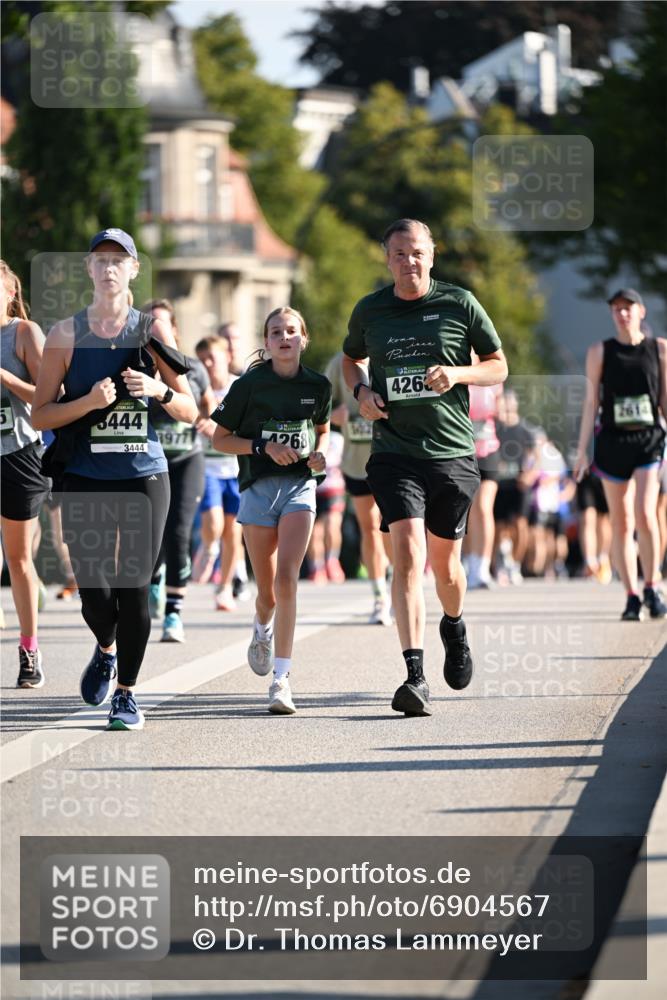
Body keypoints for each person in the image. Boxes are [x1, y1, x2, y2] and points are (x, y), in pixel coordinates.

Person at [32, 228, 197, 729]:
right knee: (95, 594)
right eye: (100, 260)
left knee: (133, 586)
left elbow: (192, 409)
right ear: (89, 269)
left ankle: (126, 693)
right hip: (84, 475)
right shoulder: (64, 334)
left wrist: (157, 390)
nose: (108, 268)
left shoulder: (152, 332)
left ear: (133, 270)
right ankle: (105, 648)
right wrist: (87, 403)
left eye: (118, 260)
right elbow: (40, 415)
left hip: (145, 475)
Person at [343, 218, 507, 716]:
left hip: (452, 454)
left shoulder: (459, 303)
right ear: (386, 258)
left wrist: (458, 372)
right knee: (408, 555)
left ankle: (453, 628)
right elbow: (351, 360)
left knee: (446, 569)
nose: (408, 262)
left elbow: (498, 364)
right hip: (394, 454)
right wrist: (362, 392)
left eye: (416, 253)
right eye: (398, 254)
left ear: (431, 255)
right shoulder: (371, 310)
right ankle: (414, 676)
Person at [211, 306, 331, 715]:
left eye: (292, 331)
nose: (284, 337)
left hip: (300, 487)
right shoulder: (249, 386)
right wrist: (263, 447)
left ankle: (281, 679)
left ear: (304, 338)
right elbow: (220, 439)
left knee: (287, 579)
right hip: (258, 489)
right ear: (266, 342)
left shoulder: (319, 386)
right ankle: (261, 628)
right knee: (266, 593)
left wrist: (320, 456)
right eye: (276, 331)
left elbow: (323, 429)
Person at [574, 288, 667, 620]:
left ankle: (652, 585)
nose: (622, 314)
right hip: (612, 442)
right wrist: (583, 451)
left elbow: (665, 403)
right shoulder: (600, 351)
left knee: (645, 512)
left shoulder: (659, 350)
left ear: (641, 311)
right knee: (621, 521)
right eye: (616, 309)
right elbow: (590, 404)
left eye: (628, 308)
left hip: (648, 441)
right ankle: (630, 594)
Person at [144, 299, 214, 642]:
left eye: (163, 325)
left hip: (188, 458)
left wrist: (209, 420)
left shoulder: (194, 368)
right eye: (150, 325)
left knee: (180, 532)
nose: (157, 331)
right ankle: (154, 578)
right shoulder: (137, 367)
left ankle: (173, 614)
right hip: (152, 463)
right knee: (153, 538)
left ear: (174, 331)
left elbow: (209, 405)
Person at [0, 260, 50, 688]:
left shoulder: (22, 334)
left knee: (17, 559)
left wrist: (3, 377)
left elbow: (50, 398)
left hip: (17, 453)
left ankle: (29, 649)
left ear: (10, 294)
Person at [325, 350, 393, 624]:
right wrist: (333, 416)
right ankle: (380, 597)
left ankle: (401, 587)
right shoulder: (338, 363)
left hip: (392, 458)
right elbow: (315, 404)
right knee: (370, 528)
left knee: (394, 528)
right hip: (357, 463)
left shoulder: (391, 351)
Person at [193, 335, 245, 610]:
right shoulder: (196, 388)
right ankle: (208, 546)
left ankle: (224, 588)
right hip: (207, 468)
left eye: (213, 357)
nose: (208, 364)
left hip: (237, 470)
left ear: (227, 356)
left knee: (233, 533)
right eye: (202, 360)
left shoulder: (240, 386)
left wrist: (222, 430)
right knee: (213, 523)